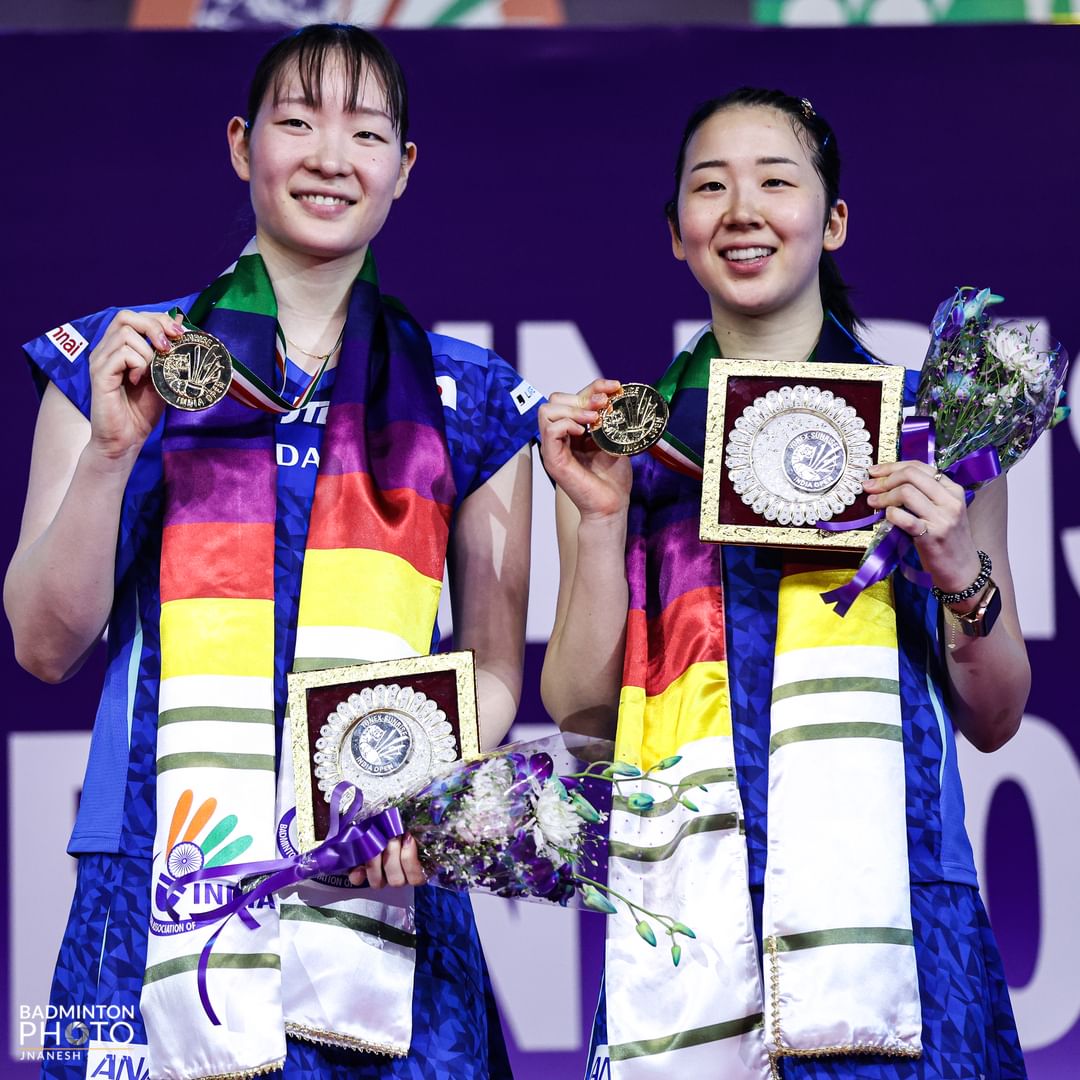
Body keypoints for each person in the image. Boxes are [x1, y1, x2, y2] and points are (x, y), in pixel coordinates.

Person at [6, 24, 536, 1080]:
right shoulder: (120, 357)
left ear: (404, 169)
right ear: (243, 144)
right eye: (297, 122)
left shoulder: (472, 397)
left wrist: (413, 793)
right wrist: (116, 447)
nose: (330, 157)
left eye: (366, 132)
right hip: (155, 867)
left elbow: (491, 671)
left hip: (380, 873)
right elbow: (41, 643)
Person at [539, 88, 1028, 1079]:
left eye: (776, 180)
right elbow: (584, 712)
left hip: (894, 921)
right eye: (710, 187)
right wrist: (597, 521)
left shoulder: (934, 440)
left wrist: (957, 574)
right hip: (690, 923)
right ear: (677, 233)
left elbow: (996, 712)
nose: (743, 210)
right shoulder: (630, 448)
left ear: (833, 219)